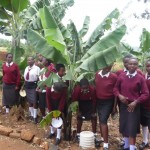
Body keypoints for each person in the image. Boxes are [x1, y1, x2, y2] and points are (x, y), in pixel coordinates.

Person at [113, 57, 149, 150]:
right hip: (124, 105)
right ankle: (126, 146)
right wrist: (120, 96)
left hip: (134, 106)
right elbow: (115, 89)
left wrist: (136, 102)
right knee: (124, 125)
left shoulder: (140, 78)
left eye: (135, 64)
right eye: (130, 64)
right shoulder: (122, 76)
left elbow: (146, 94)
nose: (132, 66)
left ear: (137, 66)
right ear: (127, 65)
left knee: (132, 127)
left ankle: (132, 148)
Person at [95, 64, 117, 150]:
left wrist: (114, 106)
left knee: (103, 120)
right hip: (98, 100)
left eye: (110, 67)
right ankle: (102, 137)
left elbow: (115, 92)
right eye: (106, 66)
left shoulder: (114, 77)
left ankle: (106, 144)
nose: (108, 69)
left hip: (108, 101)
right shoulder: (97, 74)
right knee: (101, 119)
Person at [24, 56, 40, 124]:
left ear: (34, 60)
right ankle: (32, 115)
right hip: (27, 85)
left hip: (34, 85)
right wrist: (23, 86)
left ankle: (35, 117)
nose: (29, 61)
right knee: (29, 101)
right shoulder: (26, 68)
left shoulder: (37, 68)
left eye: (30, 60)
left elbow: (39, 78)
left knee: (34, 101)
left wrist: (38, 86)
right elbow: (25, 78)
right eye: (28, 60)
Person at [139, 60, 150, 150]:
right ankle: (145, 141)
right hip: (143, 105)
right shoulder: (143, 76)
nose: (149, 68)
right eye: (147, 66)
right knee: (144, 124)